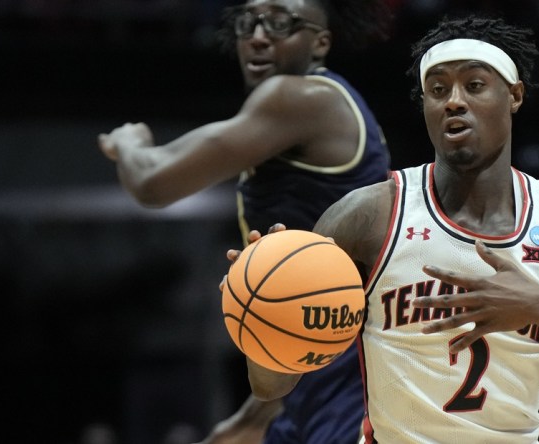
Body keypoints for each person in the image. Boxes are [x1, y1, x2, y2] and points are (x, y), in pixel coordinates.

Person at [236, 15, 539, 443]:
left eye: (475, 85)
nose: (454, 101)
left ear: (515, 95)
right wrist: (262, 302)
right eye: (438, 90)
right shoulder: (366, 216)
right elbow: (272, 384)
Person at [98, 0, 392, 443]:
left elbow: (152, 182)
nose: (257, 34)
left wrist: (130, 143)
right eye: (247, 21)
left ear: (321, 42)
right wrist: (255, 416)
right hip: (307, 379)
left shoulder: (300, 98)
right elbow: (296, 304)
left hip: (354, 386)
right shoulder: (330, 105)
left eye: (280, 22)